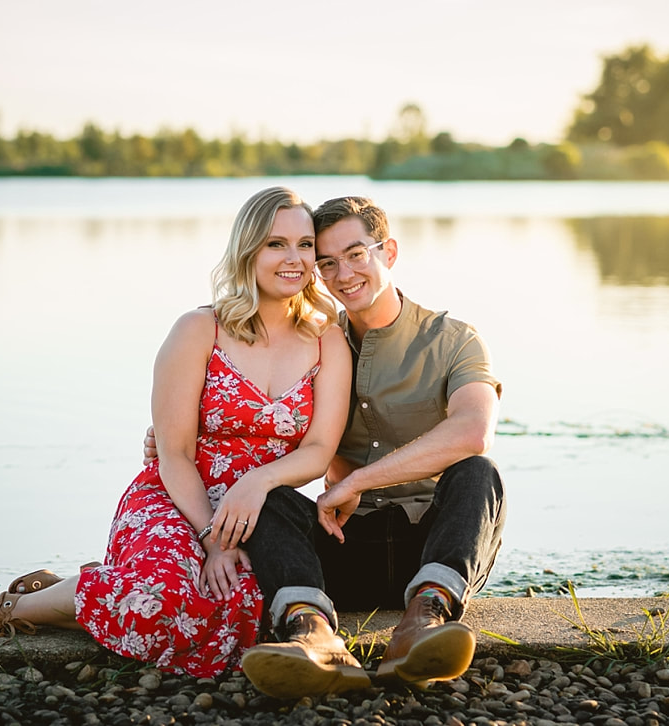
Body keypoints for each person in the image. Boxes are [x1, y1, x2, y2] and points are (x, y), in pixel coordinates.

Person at [0, 186, 353, 679]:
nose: (293, 259)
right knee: (163, 603)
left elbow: (319, 451)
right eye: (276, 244)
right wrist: (213, 538)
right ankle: (4, 611)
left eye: (304, 245)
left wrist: (257, 483)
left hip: (261, 512)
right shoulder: (199, 330)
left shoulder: (326, 339)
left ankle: (76, 587)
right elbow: (173, 453)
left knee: (244, 611)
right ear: (248, 249)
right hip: (175, 496)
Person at [146, 195, 506, 698]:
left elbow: (473, 430)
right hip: (344, 541)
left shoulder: (453, 339)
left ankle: (424, 620)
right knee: (267, 493)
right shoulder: (316, 341)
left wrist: (357, 478)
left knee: (478, 473)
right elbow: (262, 422)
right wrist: (176, 438)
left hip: (433, 545)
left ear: (390, 252)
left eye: (356, 254)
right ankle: (310, 633)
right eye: (328, 261)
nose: (343, 273)